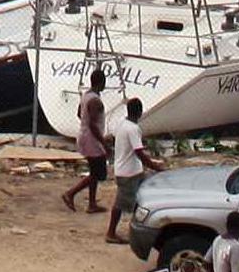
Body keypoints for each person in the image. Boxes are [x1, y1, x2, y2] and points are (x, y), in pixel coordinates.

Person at [106, 97, 163, 243]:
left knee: (138, 199)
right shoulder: (133, 129)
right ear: (140, 112)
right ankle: (111, 233)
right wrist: (155, 166)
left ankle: (136, 228)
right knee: (121, 203)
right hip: (129, 172)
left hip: (128, 169)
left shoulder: (121, 124)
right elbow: (139, 153)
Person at [62, 69, 109, 214]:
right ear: (102, 83)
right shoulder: (95, 100)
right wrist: (103, 141)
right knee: (99, 173)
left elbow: (79, 113)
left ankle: (92, 203)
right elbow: (93, 124)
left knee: (93, 170)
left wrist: (85, 122)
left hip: (84, 136)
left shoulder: (86, 96)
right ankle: (71, 193)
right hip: (92, 140)